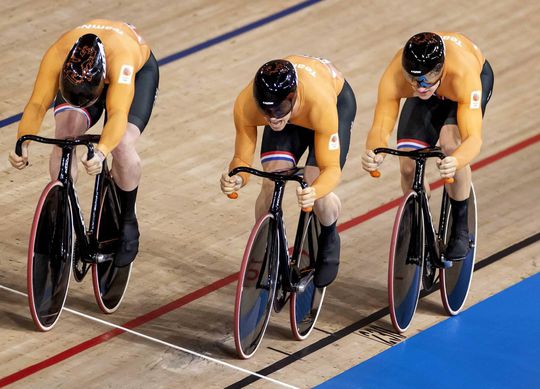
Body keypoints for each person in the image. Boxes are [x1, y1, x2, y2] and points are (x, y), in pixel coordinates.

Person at [8, 19, 159, 267]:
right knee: (65, 134)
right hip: (85, 81)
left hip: (136, 74)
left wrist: (101, 152)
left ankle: (128, 219)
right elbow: (37, 103)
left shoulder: (122, 59)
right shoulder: (59, 52)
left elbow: (118, 113)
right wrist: (22, 140)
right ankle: (62, 209)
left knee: (121, 142)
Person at [220, 56, 357, 287]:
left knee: (316, 182)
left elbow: (331, 169)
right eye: (266, 110)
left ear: (292, 97)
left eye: (278, 109)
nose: (272, 117)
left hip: (331, 105)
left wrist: (316, 192)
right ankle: (265, 247)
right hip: (296, 114)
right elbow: (241, 158)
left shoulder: (319, 104)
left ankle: (329, 234)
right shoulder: (248, 104)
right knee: (271, 179)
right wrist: (237, 178)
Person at [362, 32, 494, 260]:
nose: (418, 86)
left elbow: (473, 138)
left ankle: (461, 229)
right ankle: (418, 222)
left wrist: (457, 160)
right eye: (412, 79)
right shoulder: (399, 76)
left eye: (425, 79)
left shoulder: (463, 74)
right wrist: (375, 150)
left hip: (462, 87)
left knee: (450, 144)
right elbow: (381, 123)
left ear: (440, 68)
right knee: (407, 166)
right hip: (438, 91)